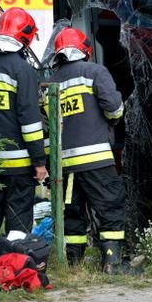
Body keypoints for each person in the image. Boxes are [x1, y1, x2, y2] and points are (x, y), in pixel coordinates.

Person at [45, 27, 128, 274]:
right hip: (96, 161)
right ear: (85, 50)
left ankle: (73, 266)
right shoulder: (95, 72)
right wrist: (111, 121)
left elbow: (47, 118)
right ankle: (112, 263)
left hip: (66, 164)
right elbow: (114, 109)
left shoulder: (53, 79)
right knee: (110, 206)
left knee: (73, 213)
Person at [0, 7, 48, 256]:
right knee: (17, 216)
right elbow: (30, 122)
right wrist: (39, 161)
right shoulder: (21, 70)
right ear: (24, 36)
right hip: (18, 164)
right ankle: (12, 263)